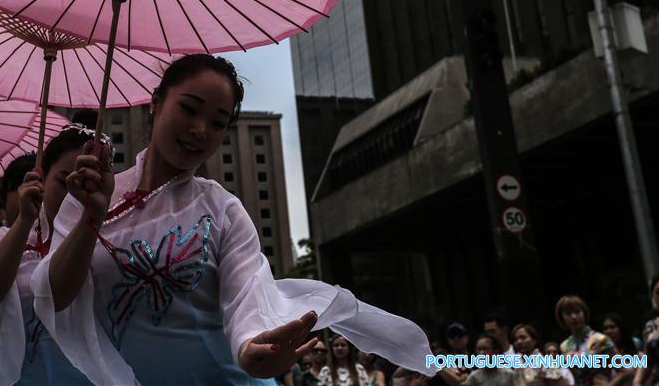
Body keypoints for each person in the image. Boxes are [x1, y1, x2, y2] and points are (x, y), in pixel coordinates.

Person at [33, 54, 433, 385]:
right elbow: (55, 295)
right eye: (188, 108)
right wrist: (92, 218)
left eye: (218, 122)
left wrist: (249, 347)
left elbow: (246, 294)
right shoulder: (91, 195)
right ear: (155, 102)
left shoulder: (222, 209)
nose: (198, 130)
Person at [0, 125, 96, 386]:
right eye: (62, 180)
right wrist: (25, 221)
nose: (72, 193)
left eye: (83, 183)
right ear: (43, 178)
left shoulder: (106, 238)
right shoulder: (0, 239)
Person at [557, 295, 617, 386]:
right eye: (568, 314)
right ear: (562, 318)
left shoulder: (600, 340)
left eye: (577, 312)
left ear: (584, 313)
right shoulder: (564, 346)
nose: (574, 317)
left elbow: (625, 371)